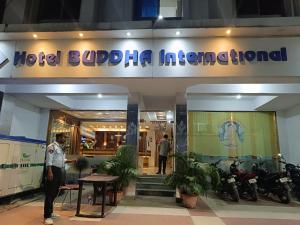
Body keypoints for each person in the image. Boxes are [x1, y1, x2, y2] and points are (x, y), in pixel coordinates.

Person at [44, 133, 66, 225]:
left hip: (58, 171)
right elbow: (49, 159)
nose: (65, 139)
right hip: (52, 170)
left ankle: (51, 212)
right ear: (59, 137)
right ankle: (47, 216)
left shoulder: (60, 148)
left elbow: (60, 160)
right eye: (64, 137)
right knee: (50, 192)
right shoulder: (51, 146)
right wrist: (49, 171)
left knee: (55, 192)